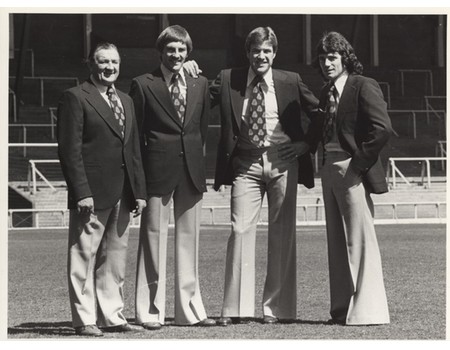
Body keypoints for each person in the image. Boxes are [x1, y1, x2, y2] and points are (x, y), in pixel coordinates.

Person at [186, 26, 320, 325]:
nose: (261, 56)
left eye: (267, 51)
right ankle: (236, 308)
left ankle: (279, 309)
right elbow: (196, 99)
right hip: (245, 163)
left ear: (274, 53)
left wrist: (306, 144)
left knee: (282, 233)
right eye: (256, 50)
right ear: (248, 53)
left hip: (283, 160)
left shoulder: (290, 81)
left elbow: (320, 113)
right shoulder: (228, 78)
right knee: (240, 230)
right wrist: (187, 71)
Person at [57, 42, 147, 337]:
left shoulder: (125, 100)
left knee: (115, 257)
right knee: (83, 254)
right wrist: (81, 191)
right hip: (91, 193)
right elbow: (70, 151)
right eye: (103, 62)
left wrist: (140, 191)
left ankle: (112, 315)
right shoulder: (75, 97)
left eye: (114, 62)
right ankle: (84, 319)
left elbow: (133, 151)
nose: (110, 67)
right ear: (91, 65)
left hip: (123, 190)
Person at [130, 25, 215, 330]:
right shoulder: (143, 84)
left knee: (189, 242)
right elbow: (135, 136)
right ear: (161, 51)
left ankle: (189, 311)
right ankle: (150, 312)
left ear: (187, 52)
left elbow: (200, 130)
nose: (176, 55)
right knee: (152, 242)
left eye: (181, 50)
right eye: (171, 49)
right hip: (156, 172)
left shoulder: (200, 83)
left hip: (190, 171)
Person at [313, 31, 391, 325]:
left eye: (332, 57)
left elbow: (381, 129)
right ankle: (342, 309)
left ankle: (369, 310)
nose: (326, 63)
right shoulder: (325, 91)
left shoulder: (362, 85)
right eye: (322, 58)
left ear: (345, 58)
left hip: (352, 168)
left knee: (360, 240)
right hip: (328, 169)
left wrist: (357, 166)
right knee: (336, 242)